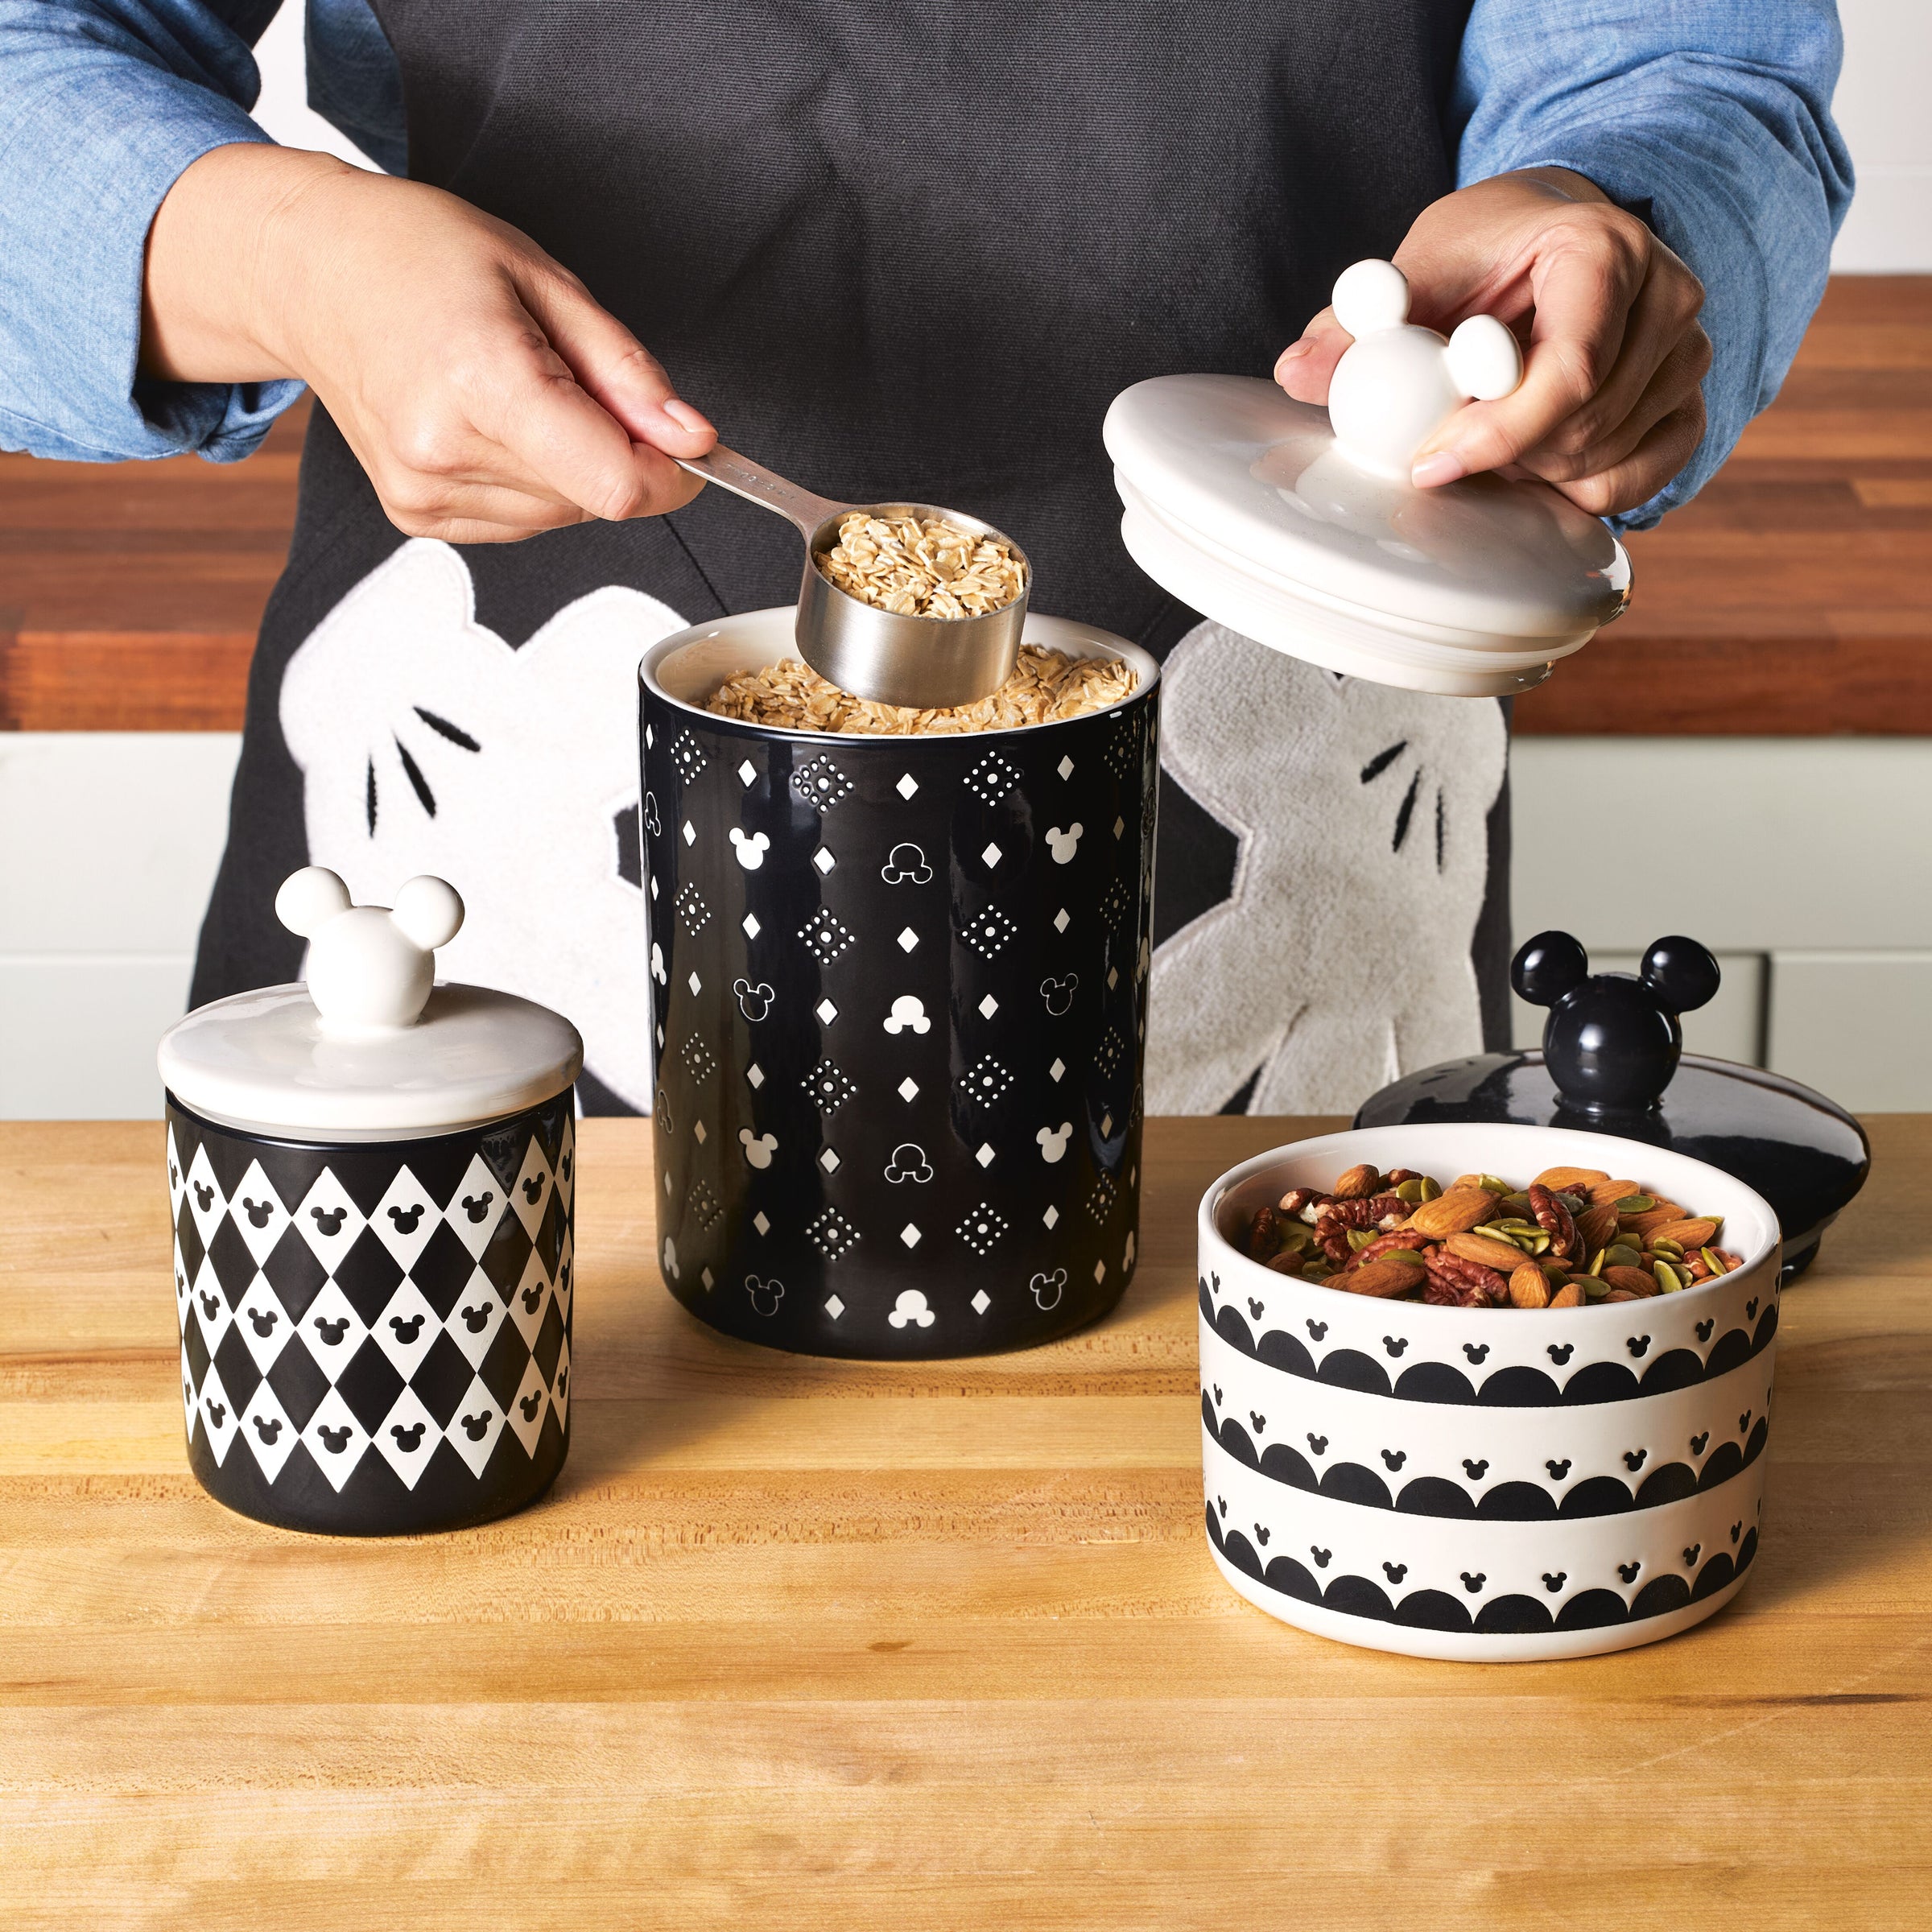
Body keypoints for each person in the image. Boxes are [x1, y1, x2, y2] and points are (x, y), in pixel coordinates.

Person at [0, 1, 1851, 1116]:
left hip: (1277, 905)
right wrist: (292, 258)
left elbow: (1679, 62)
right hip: (482, 886)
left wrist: (1616, 221)